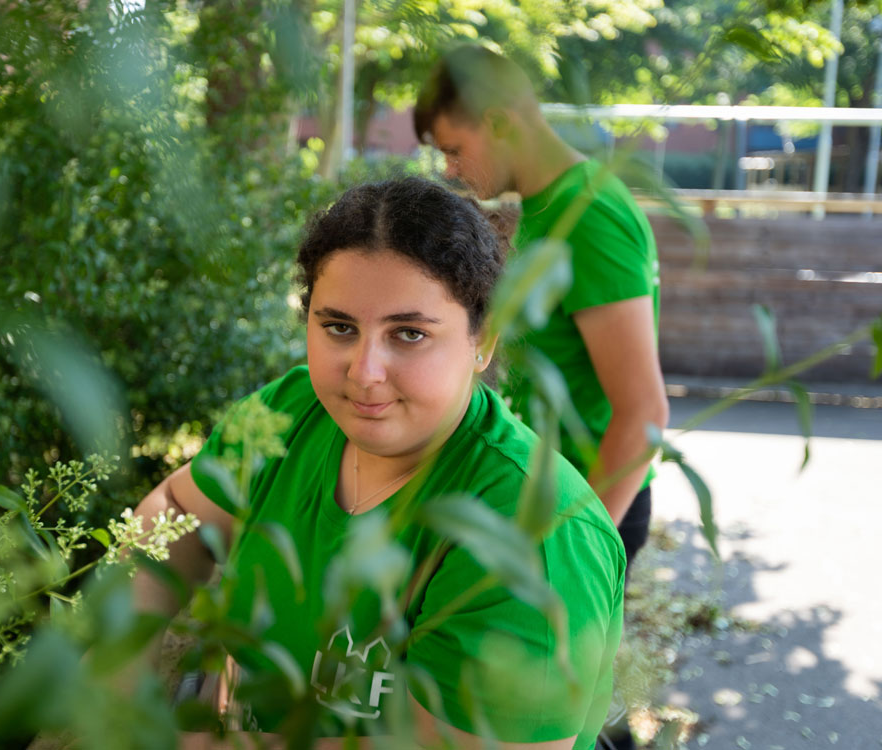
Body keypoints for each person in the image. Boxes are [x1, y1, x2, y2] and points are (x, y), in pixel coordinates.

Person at [130, 178, 625, 749]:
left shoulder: (532, 533)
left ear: (481, 341)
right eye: (339, 327)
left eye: (409, 334)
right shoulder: (290, 414)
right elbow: (172, 513)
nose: (364, 372)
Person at [412, 46, 670, 750]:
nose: (451, 170)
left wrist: (572, 545)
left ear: (498, 121)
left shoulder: (589, 216)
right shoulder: (545, 207)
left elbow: (644, 412)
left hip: (585, 507)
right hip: (543, 499)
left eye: (453, 148)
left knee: (563, 722)